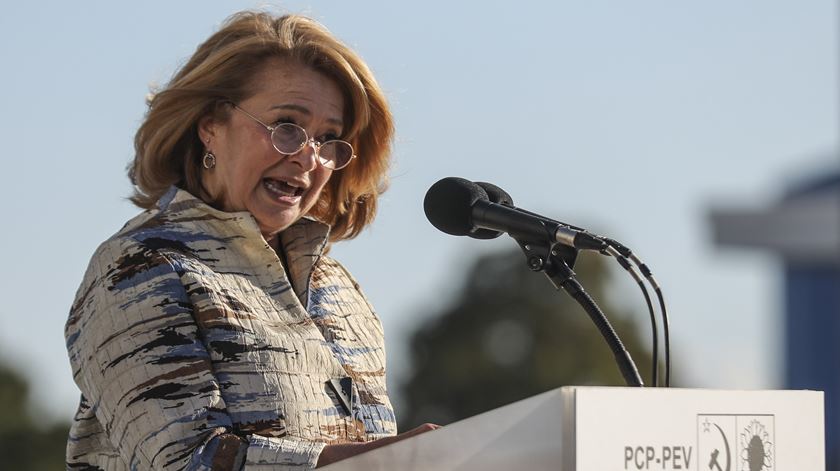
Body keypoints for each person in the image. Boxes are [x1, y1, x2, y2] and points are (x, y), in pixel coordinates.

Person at [64, 11, 437, 470]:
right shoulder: (138, 266)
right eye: (287, 126)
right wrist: (378, 459)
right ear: (211, 126)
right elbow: (186, 461)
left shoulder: (337, 287)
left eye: (328, 138)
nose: (309, 157)